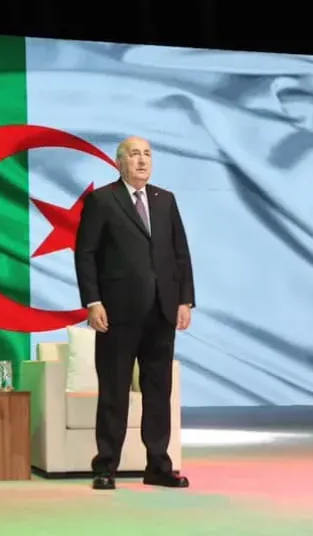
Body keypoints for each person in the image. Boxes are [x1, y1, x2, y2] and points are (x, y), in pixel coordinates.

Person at [74, 136, 195, 490]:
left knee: (158, 392)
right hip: (117, 313)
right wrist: (93, 301)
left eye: (147, 154)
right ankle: (105, 467)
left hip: (162, 311)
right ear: (119, 162)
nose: (142, 161)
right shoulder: (102, 200)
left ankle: (158, 466)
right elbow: (86, 254)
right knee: (114, 391)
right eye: (134, 154)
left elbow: (180, 253)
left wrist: (184, 300)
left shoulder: (165, 200)